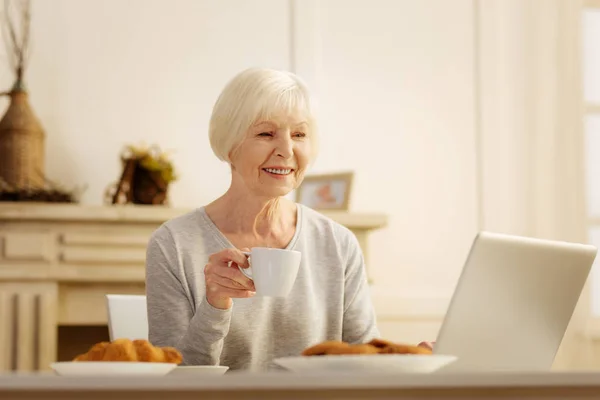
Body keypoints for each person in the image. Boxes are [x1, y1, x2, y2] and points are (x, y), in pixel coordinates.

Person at [145, 67, 379, 371]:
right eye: (266, 133)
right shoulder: (173, 244)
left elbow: (367, 362)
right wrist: (214, 306)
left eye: (299, 134)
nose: (286, 150)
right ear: (230, 146)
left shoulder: (338, 243)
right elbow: (172, 380)